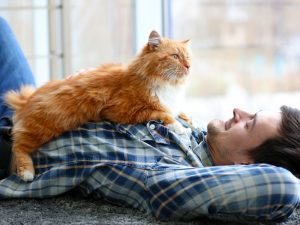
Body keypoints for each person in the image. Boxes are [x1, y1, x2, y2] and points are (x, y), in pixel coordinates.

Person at [0, 16, 299, 222]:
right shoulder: (193, 132)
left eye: (250, 123)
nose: (238, 111)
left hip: (14, 148)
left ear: (246, 167)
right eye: (250, 111)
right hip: (33, 107)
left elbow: (283, 187)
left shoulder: (172, 175)